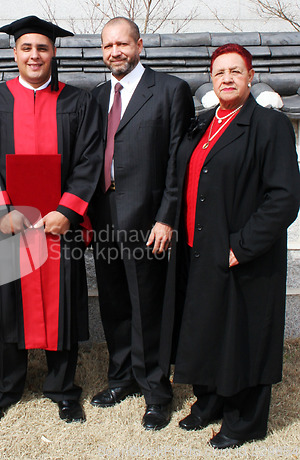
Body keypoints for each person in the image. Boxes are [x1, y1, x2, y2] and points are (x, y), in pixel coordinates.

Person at [159, 44, 300, 448]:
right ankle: (209, 402)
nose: (227, 78)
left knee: (244, 336)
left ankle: (246, 421)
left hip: (242, 253)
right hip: (199, 248)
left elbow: (284, 197)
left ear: (250, 76)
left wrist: (243, 245)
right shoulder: (202, 122)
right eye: (219, 72)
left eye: (236, 71)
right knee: (206, 329)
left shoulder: (268, 125)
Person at [0, 15, 102, 427]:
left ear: (54, 52)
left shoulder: (78, 102)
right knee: (5, 307)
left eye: (42, 48)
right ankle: (3, 389)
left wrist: (66, 211)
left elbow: (89, 160)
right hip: (8, 228)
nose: (34, 55)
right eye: (26, 48)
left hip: (58, 228)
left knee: (60, 306)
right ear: (14, 53)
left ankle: (63, 390)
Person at [88, 17, 194, 430]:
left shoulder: (170, 90)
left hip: (148, 222)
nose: (114, 52)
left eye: (122, 44)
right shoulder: (96, 97)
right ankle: (122, 378)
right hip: (103, 218)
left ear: (139, 45)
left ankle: (155, 391)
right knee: (114, 302)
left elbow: (176, 161)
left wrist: (167, 217)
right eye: (107, 46)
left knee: (148, 306)